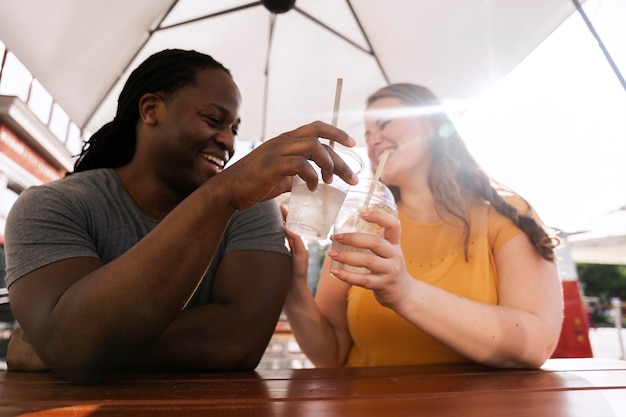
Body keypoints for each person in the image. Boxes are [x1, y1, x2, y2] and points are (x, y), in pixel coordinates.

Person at [3, 49, 358, 384]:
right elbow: (73, 344)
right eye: (213, 120)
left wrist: (68, 348)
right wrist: (222, 193)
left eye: (234, 128)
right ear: (151, 109)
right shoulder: (53, 205)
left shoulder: (248, 206)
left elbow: (240, 343)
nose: (229, 142)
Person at [283, 83, 564, 369]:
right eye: (368, 135)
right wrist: (293, 287)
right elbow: (329, 356)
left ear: (432, 126)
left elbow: (537, 342)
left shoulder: (506, 213)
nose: (374, 141)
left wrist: (405, 293)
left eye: (385, 124)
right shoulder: (363, 223)